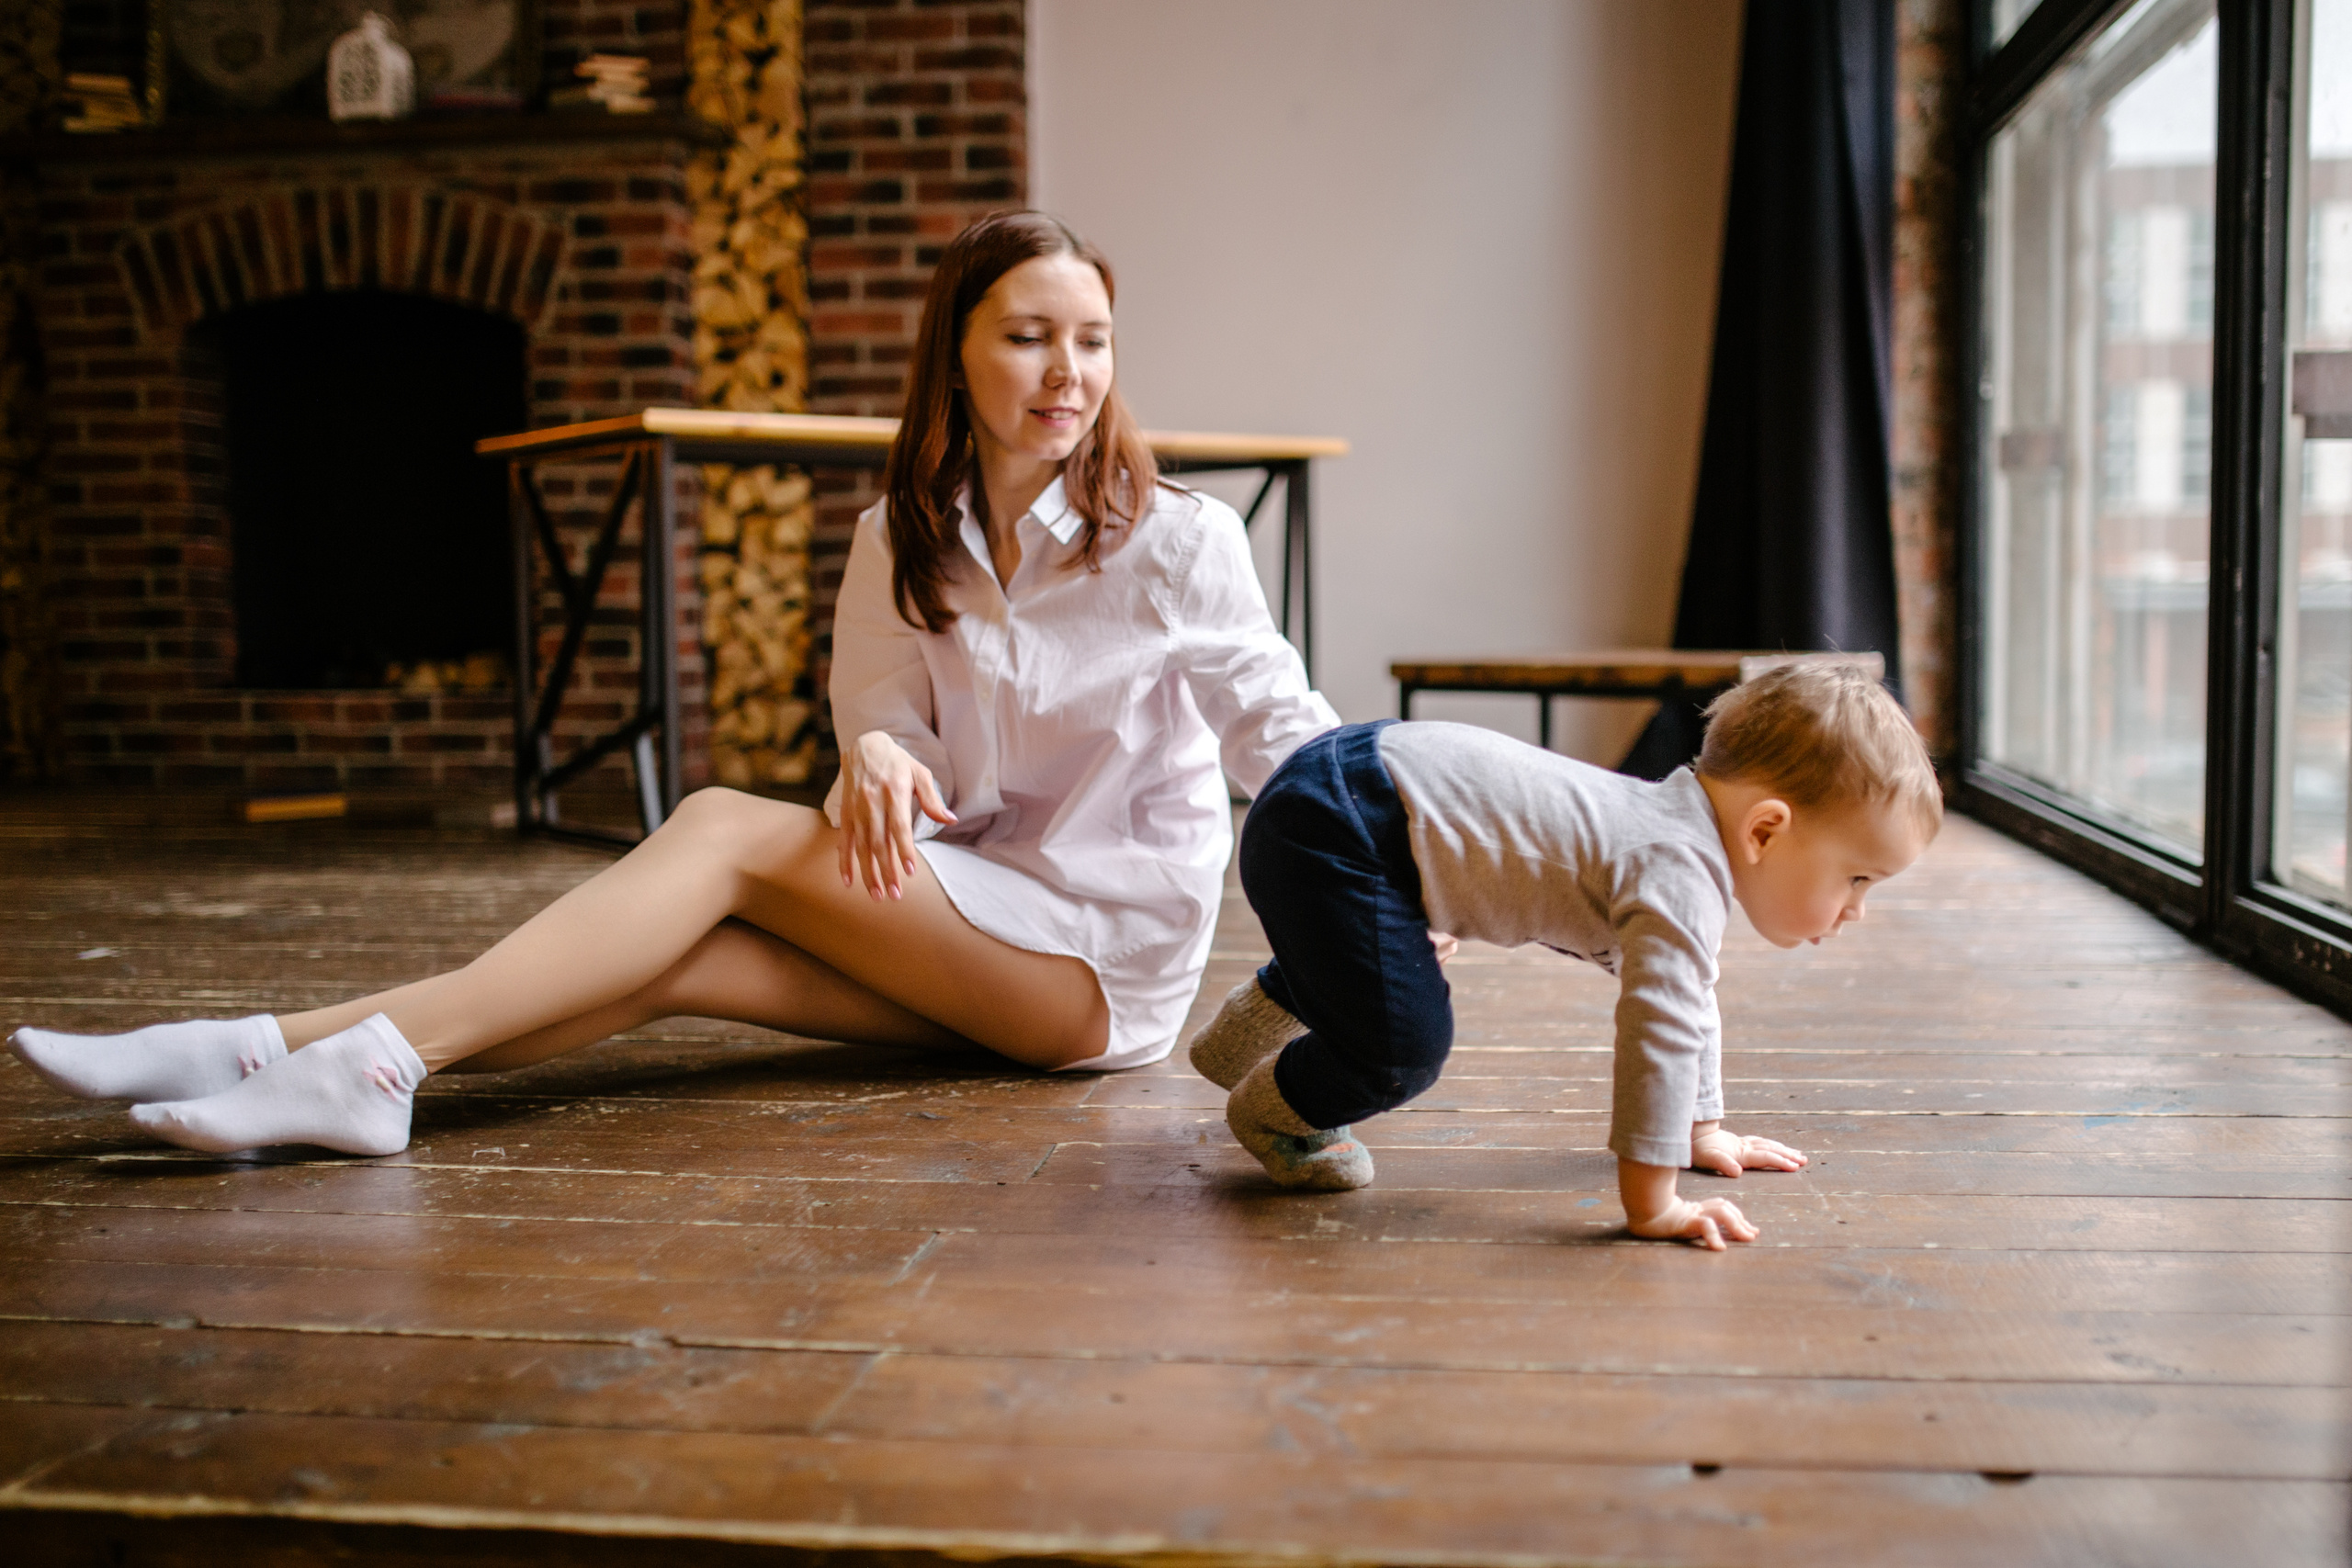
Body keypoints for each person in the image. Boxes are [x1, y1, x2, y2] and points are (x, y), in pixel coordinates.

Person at [9, 210, 1340, 1157]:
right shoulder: (900, 536)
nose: (1070, 374)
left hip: (1096, 966)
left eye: (1094, 342)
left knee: (713, 824)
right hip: (966, 906)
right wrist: (871, 751)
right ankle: (269, 1044)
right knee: (671, 957)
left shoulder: (1177, 538)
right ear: (956, 353)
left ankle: (356, 1061)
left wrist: (1384, 842)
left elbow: (1277, 725)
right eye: (1031, 337)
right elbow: (881, 717)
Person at [1184, 661, 1941, 1250]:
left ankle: (1231, 1041)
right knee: (1401, 1043)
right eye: (1858, 878)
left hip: (1348, 791)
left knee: (1359, 962)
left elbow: (1692, 999)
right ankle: (1277, 1110)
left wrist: (1701, 1128)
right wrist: (1655, 1203)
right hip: (1337, 826)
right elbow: (1661, 1033)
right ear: (1766, 831)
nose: (1855, 912)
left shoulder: (1670, 834)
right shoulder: (1675, 871)